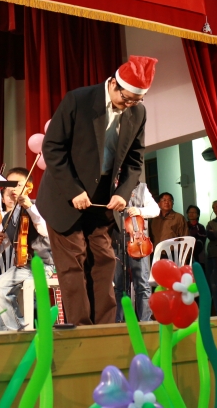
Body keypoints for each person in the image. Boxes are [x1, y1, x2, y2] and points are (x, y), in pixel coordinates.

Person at [37, 55, 158, 326]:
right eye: (126, 99)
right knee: (73, 264)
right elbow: (52, 147)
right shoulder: (78, 100)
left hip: (102, 199)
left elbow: (135, 159)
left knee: (104, 261)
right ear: (113, 83)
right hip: (64, 195)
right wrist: (73, 190)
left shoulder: (138, 112)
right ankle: (82, 331)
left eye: (136, 101)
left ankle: (104, 331)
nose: (129, 105)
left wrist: (122, 193)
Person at [0, 167, 54, 331]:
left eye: (18, 184)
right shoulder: (9, 216)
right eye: (10, 185)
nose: (13, 189)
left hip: (43, 265)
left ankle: (16, 330)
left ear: (28, 186)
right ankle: (3, 332)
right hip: (23, 266)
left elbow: (45, 231)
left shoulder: (39, 208)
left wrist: (29, 207)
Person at [113, 181, 158, 322]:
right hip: (117, 241)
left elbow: (155, 210)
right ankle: (119, 322)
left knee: (142, 284)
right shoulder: (111, 186)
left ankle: (145, 321)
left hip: (138, 241)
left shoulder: (141, 188)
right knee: (119, 285)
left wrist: (140, 211)